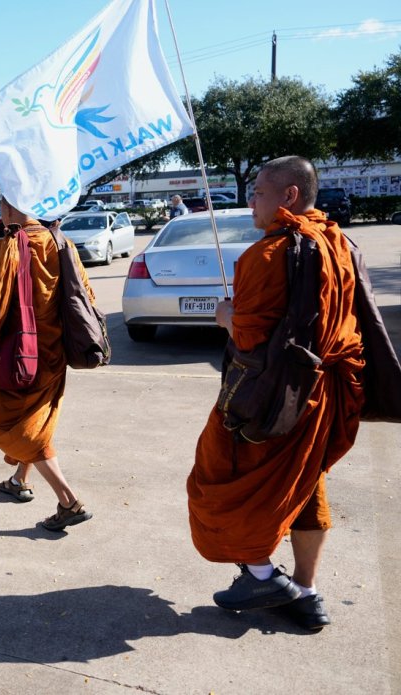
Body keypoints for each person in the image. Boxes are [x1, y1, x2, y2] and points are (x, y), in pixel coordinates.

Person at [187, 156, 364, 631]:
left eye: (259, 193)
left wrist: (226, 316)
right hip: (324, 394)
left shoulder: (268, 255)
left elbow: (250, 337)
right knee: (304, 486)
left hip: (275, 397)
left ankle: (263, 576)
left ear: (289, 195)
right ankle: (305, 593)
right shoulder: (338, 242)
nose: (252, 203)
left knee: (217, 481)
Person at [0, 197, 95, 532]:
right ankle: (19, 480)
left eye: (1, 207)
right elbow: (85, 295)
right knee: (37, 419)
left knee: (7, 423)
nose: (0, 214)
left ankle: (68, 500)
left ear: (11, 208)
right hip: (54, 351)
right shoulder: (61, 241)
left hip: (20, 354)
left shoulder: (8, 247)